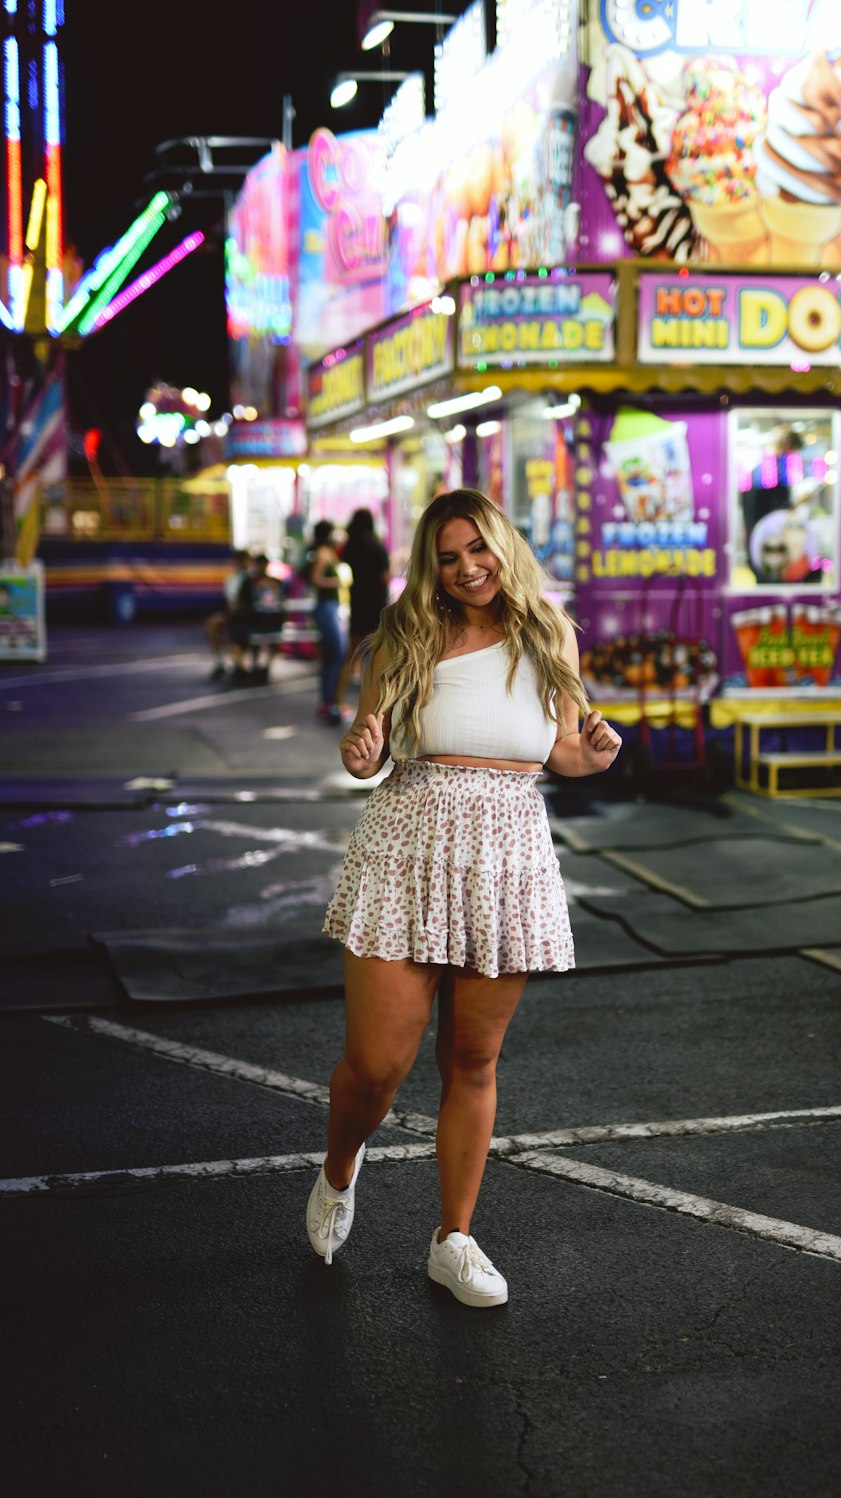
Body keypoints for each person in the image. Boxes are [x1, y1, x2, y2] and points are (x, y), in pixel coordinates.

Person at [307, 488, 622, 1308]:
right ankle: (340, 1169)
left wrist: (596, 753)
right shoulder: (406, 633)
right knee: (376, 1067)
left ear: (502, 546)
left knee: (472, 1061)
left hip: (507, 852)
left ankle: (454, 1238)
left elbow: (561, 751)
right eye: (448, 557)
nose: (467, 568)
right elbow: (364, 751)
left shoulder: (547, 633)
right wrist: (360, 746)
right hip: (407, 846)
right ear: (431, 565)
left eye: (477, 548)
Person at [332, 508, 390, 718]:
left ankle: (337, 700)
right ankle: (372, 707)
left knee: (351, 657)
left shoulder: (350, 547)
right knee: (376, 658)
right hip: (376, 606)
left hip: (358, 604)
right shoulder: (377, 547)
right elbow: (385, 577)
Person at [307, 520, 345, 722]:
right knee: (335, 653)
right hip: (326, 607)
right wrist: (335, 582)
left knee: (333, 654)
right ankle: (328, 701)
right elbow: (316, 578)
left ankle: (330, 700)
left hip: (330, 607)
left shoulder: (327, 551)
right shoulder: (323, 553)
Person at [233, 553, 286, 681]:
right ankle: (260, 667)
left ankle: (241, 668)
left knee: (234, 636)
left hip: (254, 623)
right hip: (273, 623)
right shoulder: (276, 582)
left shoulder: (249, 581)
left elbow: (241, 604)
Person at [205, 549, 251, 679]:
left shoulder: (252, 578)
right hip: (236, 615)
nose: (241, 563)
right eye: (239, 560)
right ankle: (220, 661)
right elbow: (231, 602)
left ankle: (238, 664)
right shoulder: (233, 579)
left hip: (246, 616)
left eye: (243, 560)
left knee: (234, 631)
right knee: (212, 624)